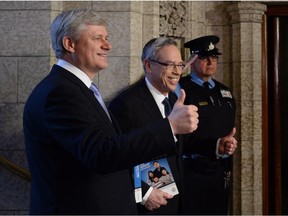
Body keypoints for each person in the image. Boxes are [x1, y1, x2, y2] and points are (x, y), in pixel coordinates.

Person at [22, 9, 199, 215]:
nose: (108, 45)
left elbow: (117, 149)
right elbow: (100, 153)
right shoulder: (60, 92)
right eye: (98, 38)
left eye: (107, 38)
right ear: (69, 44)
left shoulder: (77, 89)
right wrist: (170, 126)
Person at [109, 37, 198, 214]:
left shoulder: (174, 100)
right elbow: (114, 157)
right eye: (170, 65)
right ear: (148, 65)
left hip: (175, 201)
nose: (176, 72)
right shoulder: (125, 104)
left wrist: (218, 145)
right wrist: (143, 192)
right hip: (143, 206)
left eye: (180, 65)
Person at [178, 35, 238, 215]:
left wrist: (227, 145)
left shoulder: (224, 91)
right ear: (194, 61)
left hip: (220, 170)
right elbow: (178, 133)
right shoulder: (181, 89)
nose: (210, 62)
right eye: (204, 58)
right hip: (193, 169)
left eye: (214, 57)